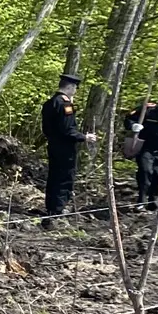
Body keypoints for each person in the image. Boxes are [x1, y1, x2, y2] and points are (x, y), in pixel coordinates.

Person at [41, 72, 95, 220]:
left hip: (53, 145)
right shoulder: (65, 104)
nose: (75, 91)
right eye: (75, 88)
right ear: (70, 87)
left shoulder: (50, 103)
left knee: (54, 176)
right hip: (65, 148)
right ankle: (58, 209)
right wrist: (84, 137)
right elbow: (68, 129)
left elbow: (47, 128)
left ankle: (51, 207)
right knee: (64, 177)